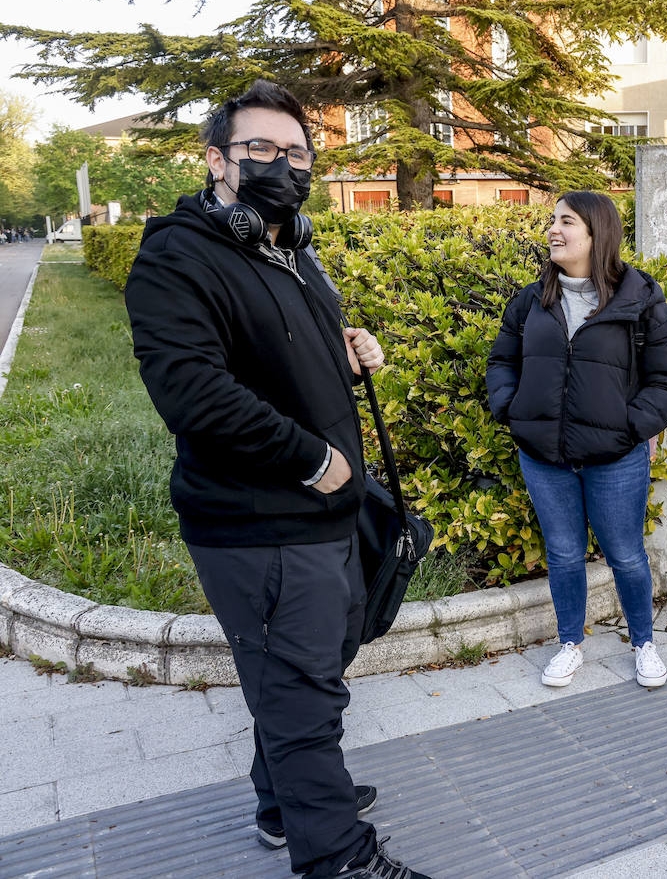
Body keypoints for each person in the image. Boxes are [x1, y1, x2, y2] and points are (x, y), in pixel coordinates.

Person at [125, 80, 429, 879]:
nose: (284, 165)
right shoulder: (176, 255)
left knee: (309, 673)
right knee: (301, 697)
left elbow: (282, 348)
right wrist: (312, 459)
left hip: (326, 513)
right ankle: (340, 859)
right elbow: (192, 390)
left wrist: (350, 347)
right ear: (217, 160)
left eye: (296, 152)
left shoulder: (287, 247)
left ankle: (281, 803)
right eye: (262, 149)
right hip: (259, 520)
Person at [486, 191, 667, 689]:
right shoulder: (532, 299)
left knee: (625, 554)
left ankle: (644, 642)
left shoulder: (642, 298)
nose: (554, 230)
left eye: (567, 221)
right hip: (544, 456)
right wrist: (514, 413)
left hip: (615, 458)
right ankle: (569, 642)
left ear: (598, 233)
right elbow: (502, 362)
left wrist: (628, 429)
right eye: (553, 220)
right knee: (562, 554)